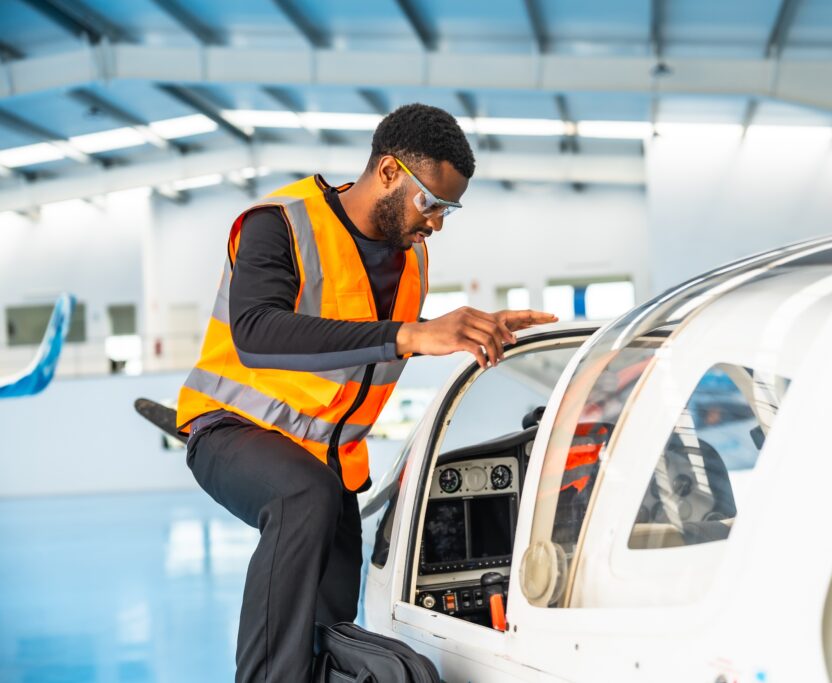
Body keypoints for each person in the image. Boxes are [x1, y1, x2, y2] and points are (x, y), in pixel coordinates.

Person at [175, 103, 556, 682]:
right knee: (301, 499)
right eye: (432, 202)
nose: (437, 224)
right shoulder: (278, 223)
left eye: (449, 208)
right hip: (232, 431)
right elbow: (254, 333)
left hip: (331, 464)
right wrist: (411, 335)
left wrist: (470, 334)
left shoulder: (412, 260)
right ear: (388, 172)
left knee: (329, 619)